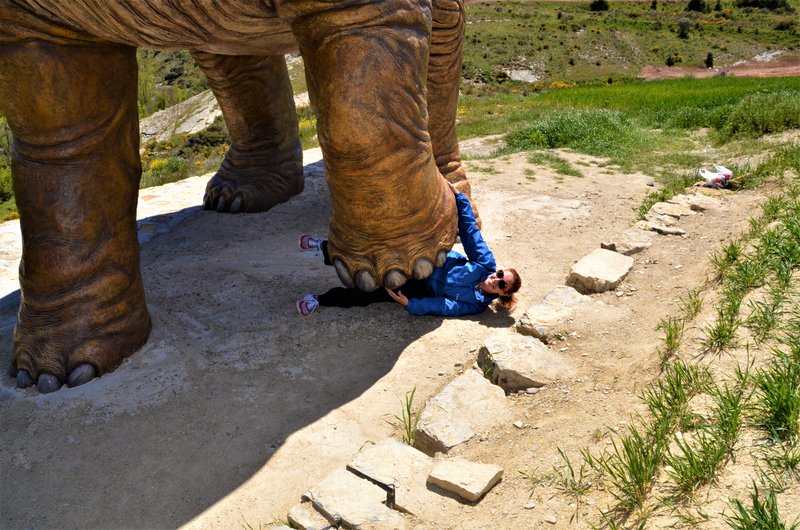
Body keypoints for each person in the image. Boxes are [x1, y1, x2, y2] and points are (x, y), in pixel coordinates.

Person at [296, 183, 521, 317]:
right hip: (432, 260)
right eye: (500, 274)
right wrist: (460, 198)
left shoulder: (475, 306)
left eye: (502, 284)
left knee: (373, 292)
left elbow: (445, 306)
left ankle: (321, 300)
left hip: (422, 289)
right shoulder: (485, 264)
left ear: (503, 293)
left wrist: (411, 305)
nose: (496, 278)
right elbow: (471, 235)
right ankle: (324, 248)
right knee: (381, 247)